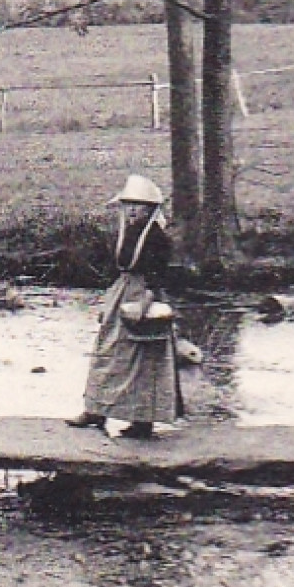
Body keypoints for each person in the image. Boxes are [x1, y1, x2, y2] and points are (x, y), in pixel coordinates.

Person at [67, 174, 182, 439]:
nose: (131, 210)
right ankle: (96, 410)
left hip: (143, 296)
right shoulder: (128, 232)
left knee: (144, 358)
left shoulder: (157, 238)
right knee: (107, 351)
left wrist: (145, 302)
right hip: (123, 291)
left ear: (150, 209)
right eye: (128, 205)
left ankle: (143, 420)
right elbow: (120, 267)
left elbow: (158, 274)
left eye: (138, 206)